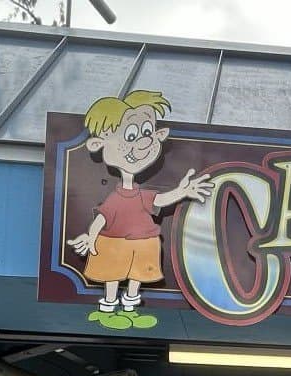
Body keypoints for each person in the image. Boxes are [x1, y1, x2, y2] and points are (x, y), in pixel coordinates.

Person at [70, 90, 214, 329]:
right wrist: (92, 237)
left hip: (144, 241)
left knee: (138, 275)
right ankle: (109, 305)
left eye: (147, 132)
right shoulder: (115, 198)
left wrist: (182, 191)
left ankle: (130, 308)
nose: (143, 141)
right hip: (115, 243)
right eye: (131, 134)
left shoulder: (141, 194)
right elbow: (102, 219)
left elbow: (159, 200)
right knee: (113, 274)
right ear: (99, 143)